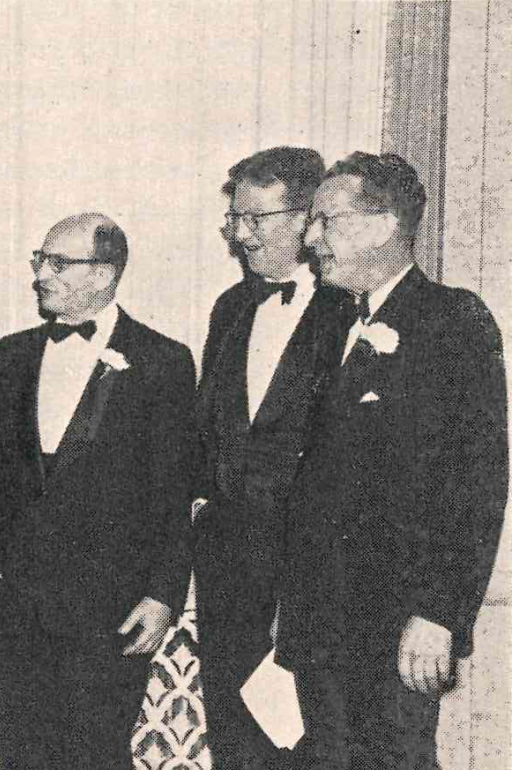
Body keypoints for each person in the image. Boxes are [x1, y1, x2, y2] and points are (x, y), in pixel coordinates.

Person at [276, 152, 508, 768]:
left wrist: (439, 613)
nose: (311, 238)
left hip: (398, 624)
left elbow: (477, 483)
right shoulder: (328, 320)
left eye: (327, 221)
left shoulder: (452, 320)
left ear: (383, 226)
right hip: (319, 621)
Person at [0, 213, 194, 769]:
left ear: (105, 275)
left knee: (95, 757)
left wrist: (162, 595)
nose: (41, 274)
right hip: (19, 602)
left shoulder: (163, 362)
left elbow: (173, 492)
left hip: (111, 608)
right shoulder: (11, 355)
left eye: (57, 263)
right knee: (24, 755)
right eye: (40, 259)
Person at [191, 147, 354, 769]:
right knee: (238, 743)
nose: (241, 234)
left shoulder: (348, 310)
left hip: (312, 578)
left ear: (305, 217)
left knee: (314, 743)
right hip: (229, 570)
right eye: (236, 219)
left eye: (256, 219)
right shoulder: (230, 309)